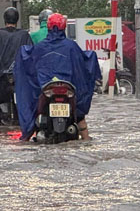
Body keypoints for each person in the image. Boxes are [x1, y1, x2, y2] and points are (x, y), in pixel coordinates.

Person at [15, 13, 100, 141]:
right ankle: (86, 138)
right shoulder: (71, 46)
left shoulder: (40, 47)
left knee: (33, 115)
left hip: (46, 89)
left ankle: (27, 136)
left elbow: (29, 65)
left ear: (48, 27)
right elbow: (84, 63)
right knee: (80, 116)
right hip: (68, 89)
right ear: (63, 27)